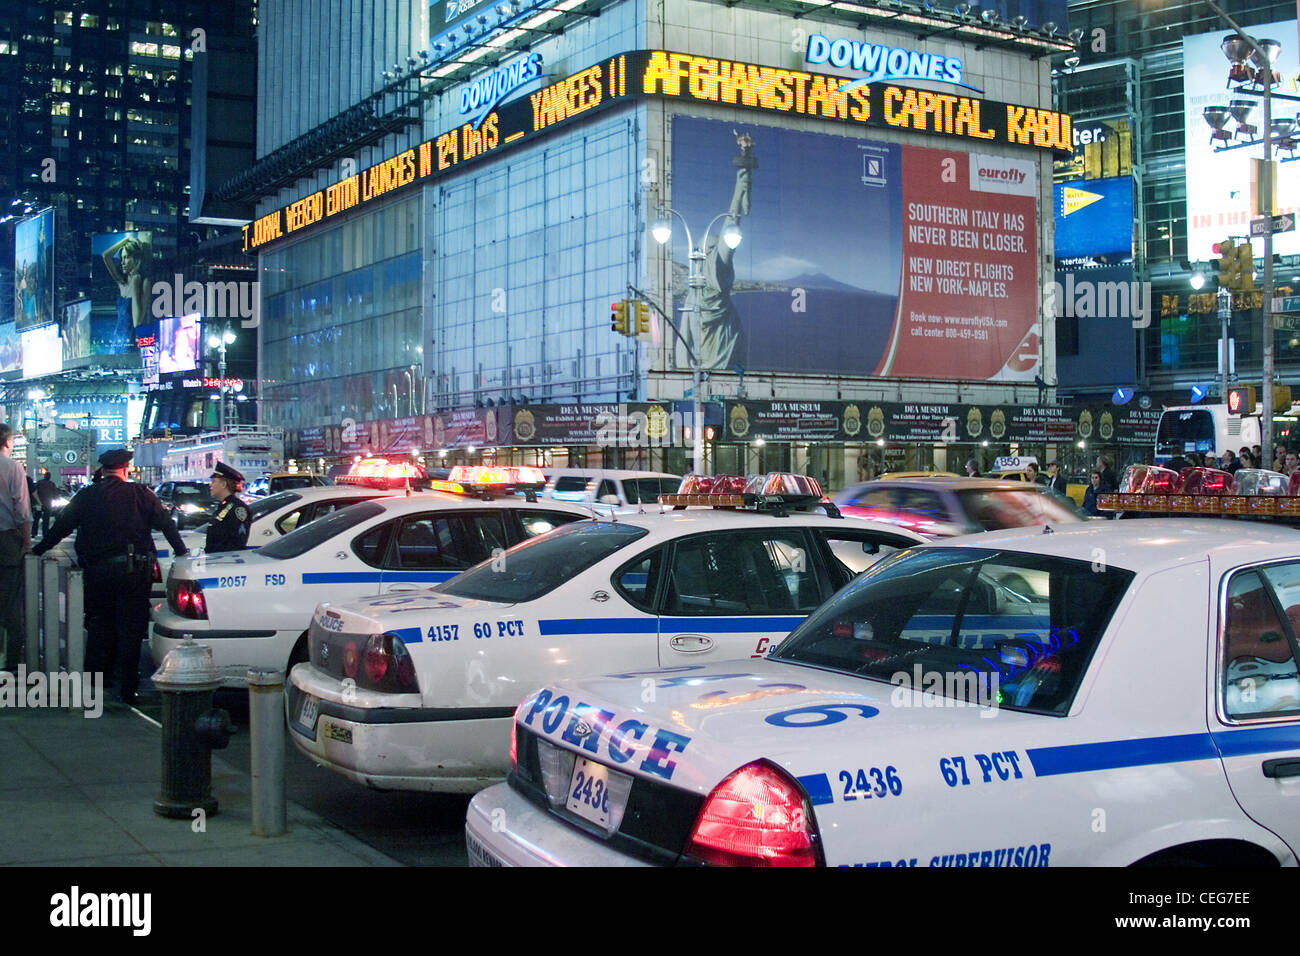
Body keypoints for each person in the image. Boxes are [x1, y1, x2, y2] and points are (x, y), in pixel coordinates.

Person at [32, 449, 187, 704]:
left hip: (98, 572)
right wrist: (181, 551)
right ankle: (128, 685)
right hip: (135, 572)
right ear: (126, 469)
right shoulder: (142, 494)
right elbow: (167, 524)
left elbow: (61, 526)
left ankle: (97, 681)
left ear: (102, 470)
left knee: (99, 623)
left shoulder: (86, 495)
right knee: (131, 627)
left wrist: (38, 549)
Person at [0, 425, 31, 671]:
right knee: (11, 602)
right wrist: (26, 540)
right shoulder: (12, 467)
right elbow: (21, 509)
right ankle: (11, 663)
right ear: (8, 442)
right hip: (6, 541)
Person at [205, 462, 251, 553]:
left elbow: (237, 543)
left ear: (223, 485)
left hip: (226, 561)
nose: (210, 485)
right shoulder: (224, 506)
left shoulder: (238, 508)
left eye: (214, 481)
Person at [34, 469, 57, 536]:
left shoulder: (39, 483)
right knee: (46, 520)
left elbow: (35, 492)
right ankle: (45, 532)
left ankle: (34, 532)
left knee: (36, 518)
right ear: (49, 477)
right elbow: (55, 494)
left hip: (39, 503)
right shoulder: (52, 484)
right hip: (48, 504)